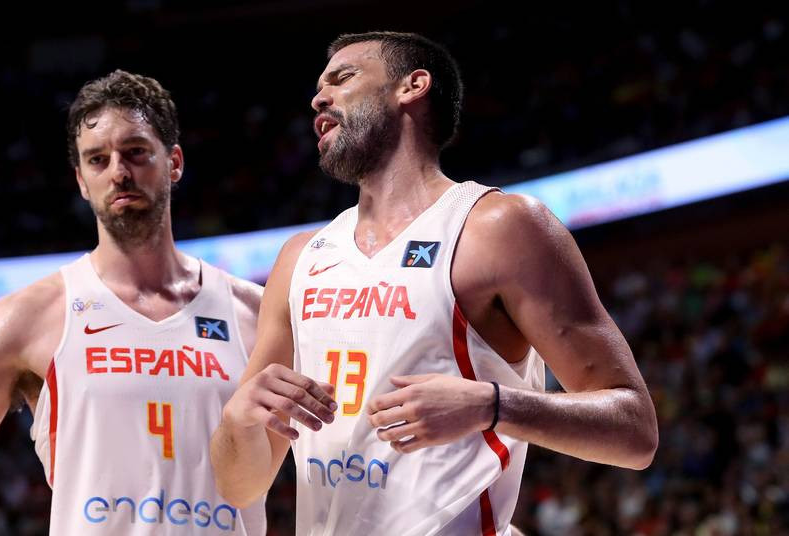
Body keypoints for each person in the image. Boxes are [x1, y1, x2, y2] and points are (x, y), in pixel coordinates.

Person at [210, 31, 658, 535]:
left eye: (343, 77)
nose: (319, 97)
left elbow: (634, 431)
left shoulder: (497, 227)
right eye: (319, 86)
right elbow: (240, 486)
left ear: (413, 86)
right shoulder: (299, 258)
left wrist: (491, 405)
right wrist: (238, 420)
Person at [0, 70, 266, 535]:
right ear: (81, 181)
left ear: (174, 161)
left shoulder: (254, 312)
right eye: (98, 160)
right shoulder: (29, 318)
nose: (119, 172)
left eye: (136, 152)